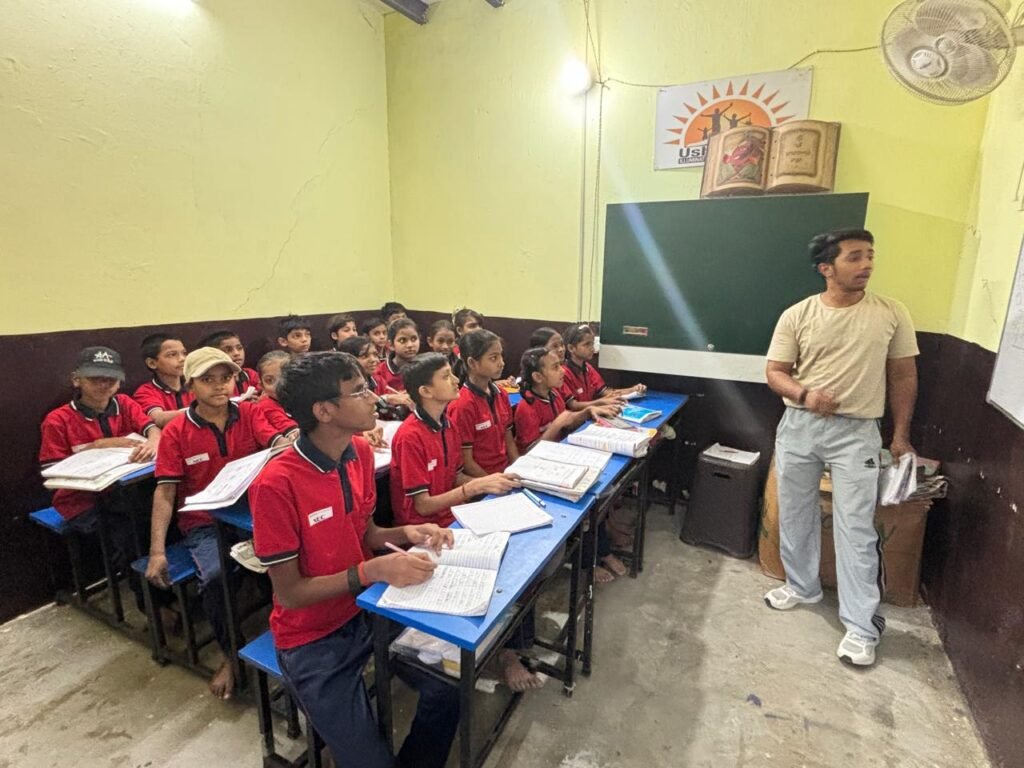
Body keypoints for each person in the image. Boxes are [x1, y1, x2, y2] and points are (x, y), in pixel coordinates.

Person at [249, 351, 460, 768]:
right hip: (313, 639)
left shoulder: (359, 454)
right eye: (360, 391)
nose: (374, 397)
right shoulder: (276, 484)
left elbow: (365, 534)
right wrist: (371, 570)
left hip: (366, 611)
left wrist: (406, 533)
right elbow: (289, 594)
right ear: (324, 410)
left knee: (449, 688)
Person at [763, 228, 919, 667]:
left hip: (858, 433)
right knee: (794, 511)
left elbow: (904, 376)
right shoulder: (798, 315)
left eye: (870, 255)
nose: (866, 264)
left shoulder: (890, 313)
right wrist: (805, 394)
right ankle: (802, 586)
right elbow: (775, 372)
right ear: (826, 268)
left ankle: (860, 627)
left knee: (856, 527)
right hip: (799, 425)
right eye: (854, 257)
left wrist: (900, 435)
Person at [146, 348, 289, 697]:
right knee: (214, 577)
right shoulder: (178, 430)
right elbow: (165, 492)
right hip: (204, 521)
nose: (219, 386)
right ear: (190, 384)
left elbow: (277, 441)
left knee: (287, 558)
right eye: (207, 380)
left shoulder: (250, 412)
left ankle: (290, 637)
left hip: (249, 513)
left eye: (225, 378)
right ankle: (231, 654)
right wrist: (156, 551)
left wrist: (286, 443)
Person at [40, 346, 163, 613]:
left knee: (163, 519)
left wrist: (154, 438)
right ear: (76, 379)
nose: (104, 384)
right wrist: (96, 446)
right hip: (81, 502)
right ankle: (149, 605)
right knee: (129, 536)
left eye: (111, 378)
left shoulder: (125, 404)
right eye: (95, 378)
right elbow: (52, 469)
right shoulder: (58, 420)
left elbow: (151, 428)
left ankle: (167, 588)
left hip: (127, 492)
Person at [448, 330, 517, 476]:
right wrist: (492, 483)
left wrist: (518, 469)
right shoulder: (462, 405)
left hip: (505, 472)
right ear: (472, 363)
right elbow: (466, 462)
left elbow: (509, 441)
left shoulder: (502, 394)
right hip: (482, 480)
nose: (501, 363)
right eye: (493, 358)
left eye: (501, 356)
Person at [133, 333, 193, 427]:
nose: (182, 359)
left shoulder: (195, 384)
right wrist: (203, 412)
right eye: (172, 354)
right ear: (152, 363)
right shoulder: (145, 392)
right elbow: (157, 418)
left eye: (184, 353)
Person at [198, 329, 260, 400]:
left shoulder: (250, 375)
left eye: (239, 348)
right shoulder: (206, 382)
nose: (237, 353)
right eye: (228, 350)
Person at [253, 351, 300, 440]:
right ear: (261, 385)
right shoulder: (265, 405)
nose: (278, 385)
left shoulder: (302, 397)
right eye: (269, 380)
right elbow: (291, 431)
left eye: (284, 378)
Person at [374, 317, 420, 394]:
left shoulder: (427, 367)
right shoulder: (379, 371)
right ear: (390, 345)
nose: (410, 345)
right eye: (402, 340)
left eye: (413, 339)